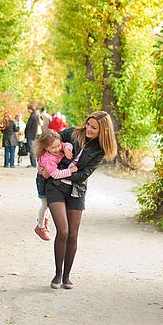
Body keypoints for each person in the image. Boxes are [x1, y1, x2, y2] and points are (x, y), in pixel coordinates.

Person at [38, 110, 117, 289]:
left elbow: (83, 175)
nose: (88, 129)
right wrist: (44, 165)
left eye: (94, 127)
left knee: (73, 234)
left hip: (76, 190)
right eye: (88, 124)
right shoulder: (71, 133)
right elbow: (47, 141)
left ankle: (67, 277)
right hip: (55, 187)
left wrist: (63, 174)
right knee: (63, 231)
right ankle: (57, 275)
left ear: (103, 131)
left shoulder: (99, 151)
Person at [33, 130, 75, 241]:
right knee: (45, 203)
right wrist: (70, 171)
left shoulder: (58, 146)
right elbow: (56, 174)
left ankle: (45, 221)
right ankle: (40, 226)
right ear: (46, 148)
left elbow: (67, 144)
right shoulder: (48, 160)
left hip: (50, 177)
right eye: (53, 148)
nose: (57, 149)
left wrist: (66, 148)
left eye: (58, 145)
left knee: (50, 203)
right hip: (43, 179)